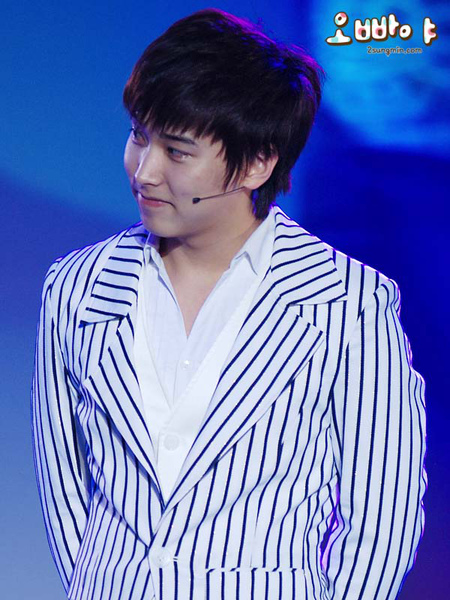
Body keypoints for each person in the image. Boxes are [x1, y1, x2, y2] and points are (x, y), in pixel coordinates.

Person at [31, 8, 426, 600]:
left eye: (177, 151)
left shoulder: (348, 303)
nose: (145, 171)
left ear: (259, 162)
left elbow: (382, 517)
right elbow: (63, 487)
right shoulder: (75, 288)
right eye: (139, 136)